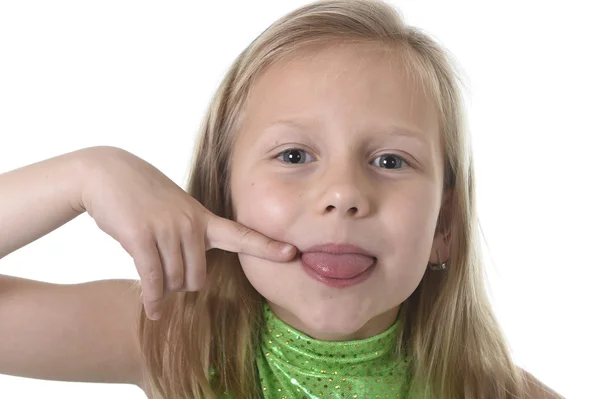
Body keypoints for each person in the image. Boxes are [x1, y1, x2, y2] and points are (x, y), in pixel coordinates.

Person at [0, 0, 565, 398]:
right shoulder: (165, 339)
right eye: (294, 156)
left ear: (445, 226)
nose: (343, 195)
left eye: (390, 161)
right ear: (221, 198)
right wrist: (85, 175)